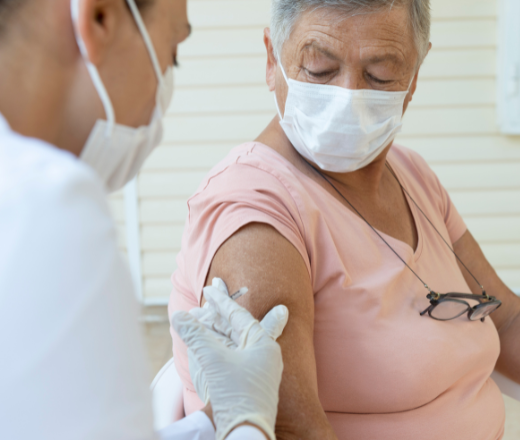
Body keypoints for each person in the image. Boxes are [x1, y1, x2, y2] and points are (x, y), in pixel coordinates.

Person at [169, 0, 520, 439]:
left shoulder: (412, 175)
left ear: (415, 73)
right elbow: (289, 426)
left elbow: (506, 323)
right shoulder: (255, 210)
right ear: (271, 59)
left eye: (381, 75)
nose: (348, 97)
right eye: (319, 69)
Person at [0, 1, 287, 439]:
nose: (160, 98)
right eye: (171, 53)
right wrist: (248, 422)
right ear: (99, 18)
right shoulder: (42, 206)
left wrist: (211, 423)